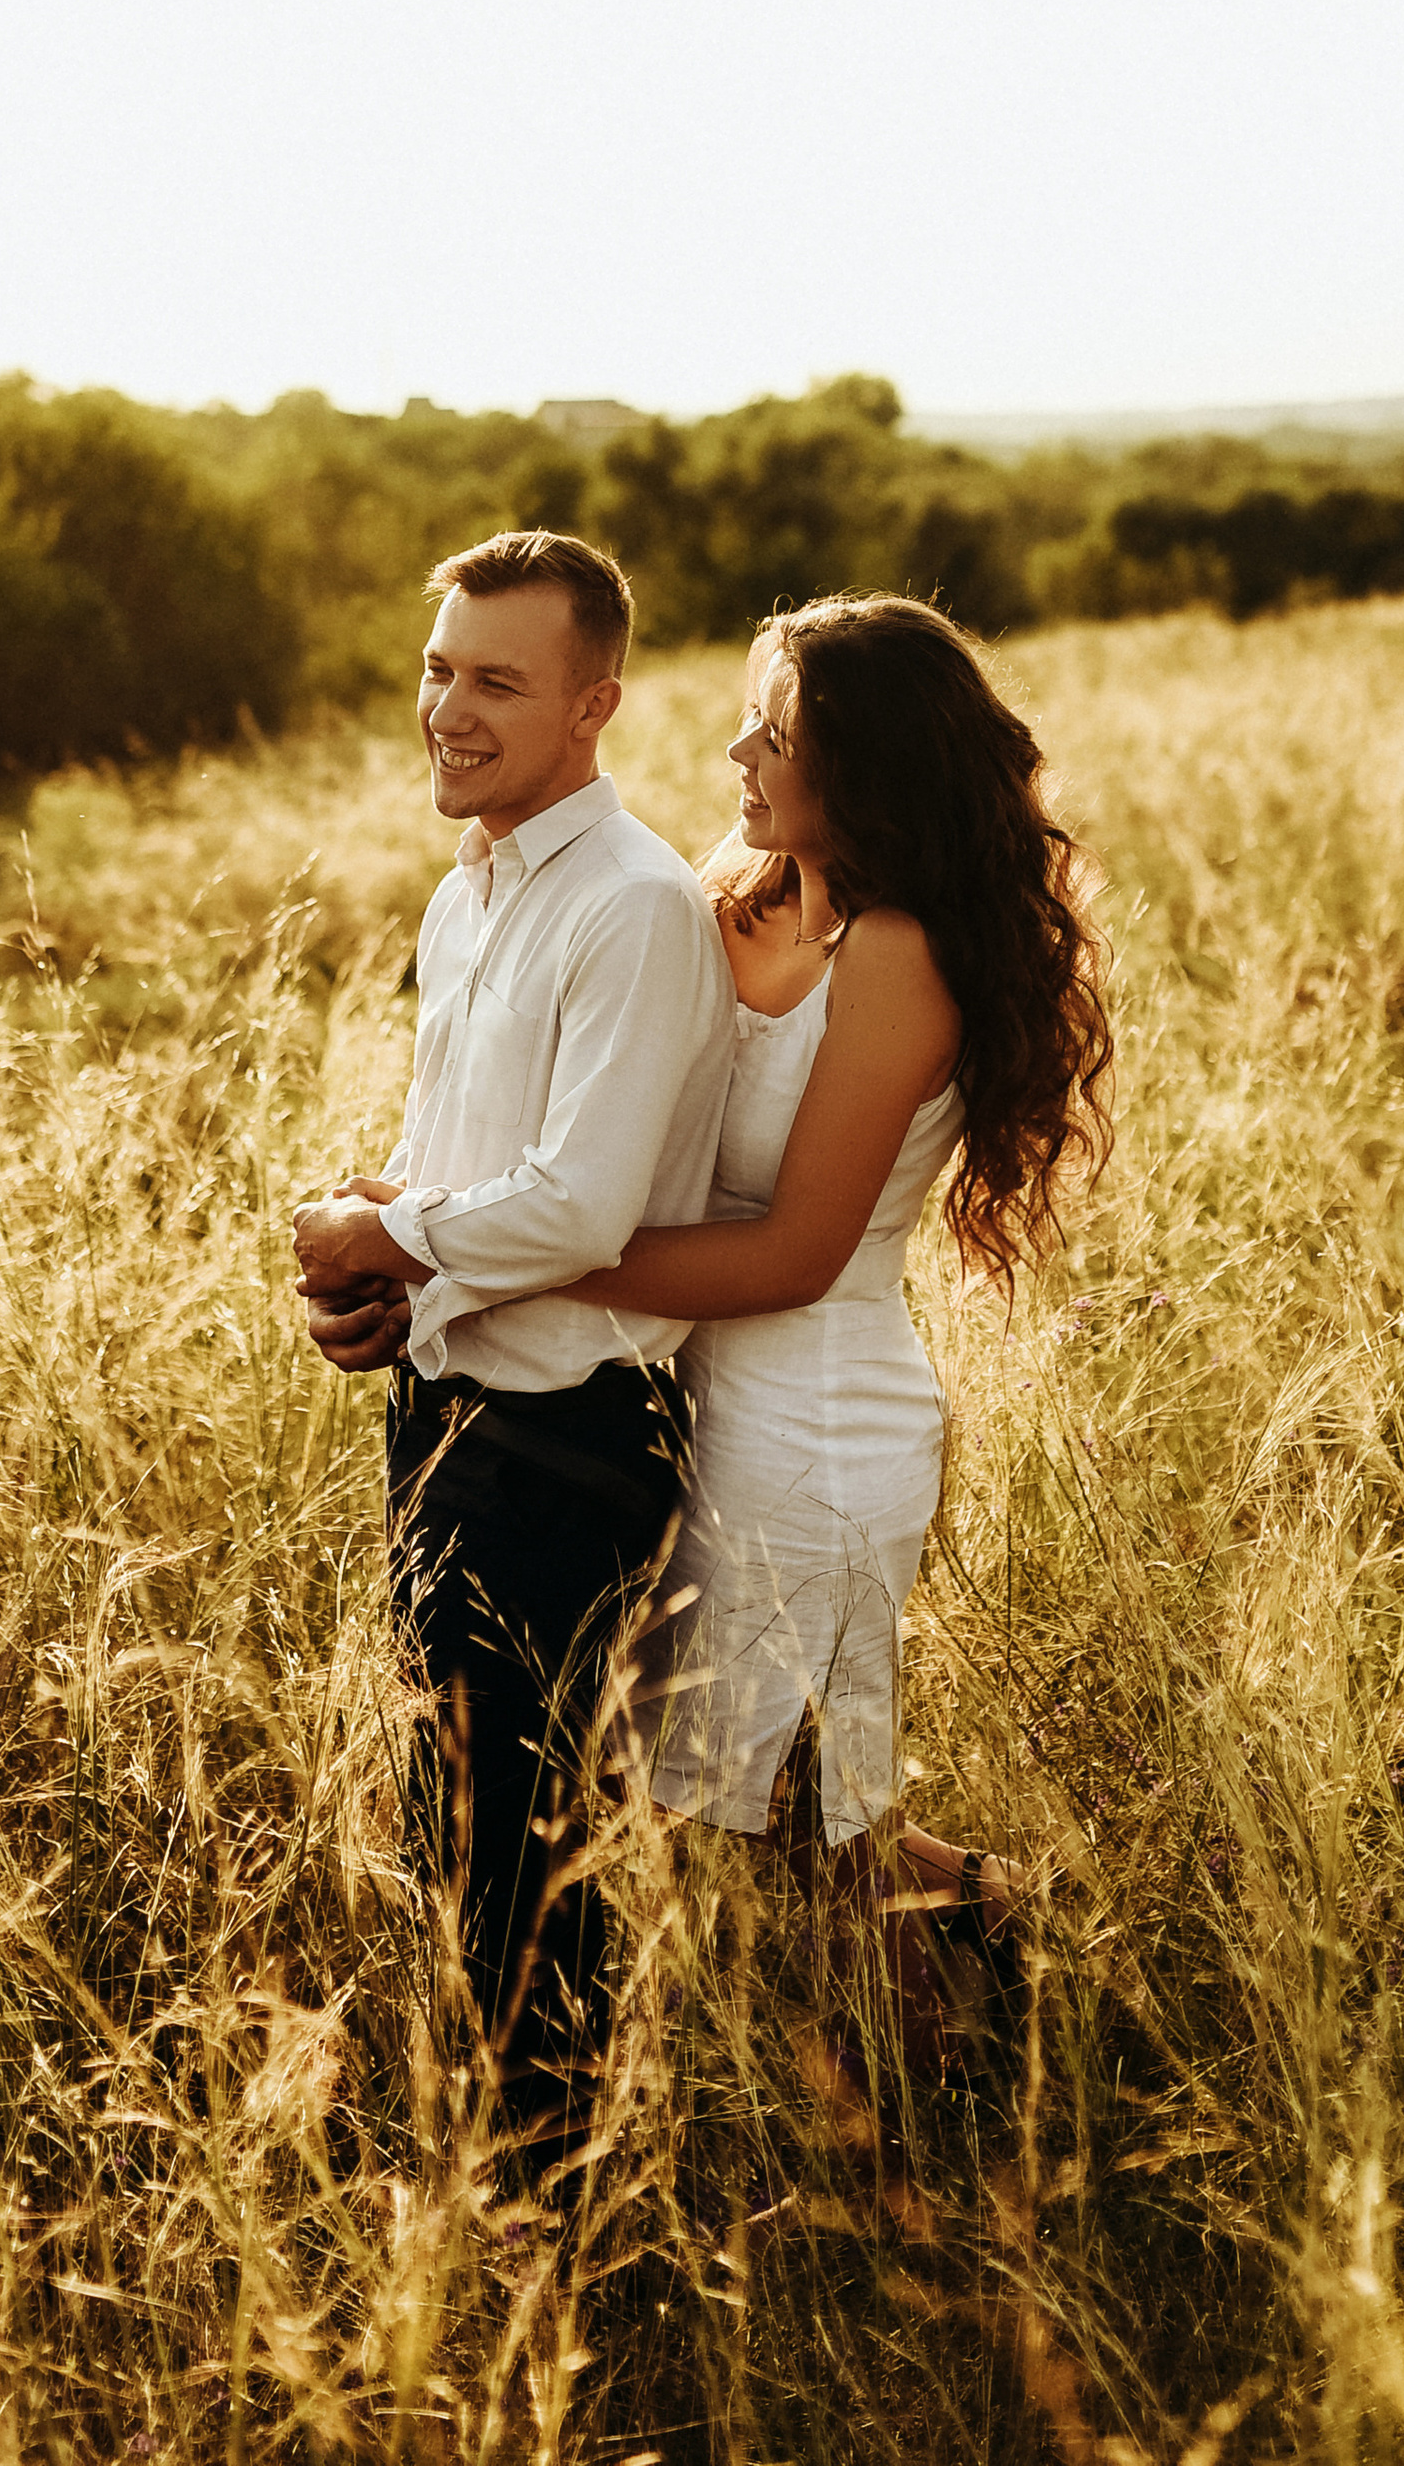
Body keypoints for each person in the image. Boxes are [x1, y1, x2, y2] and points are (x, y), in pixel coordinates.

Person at [554, 592, 1114, 2064]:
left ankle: (942, 2136)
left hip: (813, 1423)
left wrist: (531, 1264)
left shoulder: (898, 956)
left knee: (817, 1822)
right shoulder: (746, 881)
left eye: (779, 732)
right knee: (786, 1798)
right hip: (701, 1402)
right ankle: (1010, 1920)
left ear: (866, 771)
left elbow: (800, 1251)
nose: (737, 746)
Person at [293, 530, 735, 2142]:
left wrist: (400, 1242)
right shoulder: (466, 893)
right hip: (445, 1417)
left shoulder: (632, 908)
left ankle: (556, 2213)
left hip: (573, 1444)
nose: (448, 710)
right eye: (437, 669)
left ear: (593, 705)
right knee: (457, 1820)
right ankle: (509, 2167)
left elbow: (584, 1208)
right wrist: (382, 1261)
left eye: (497, 682)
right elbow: (474, 1174)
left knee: (529, 1856)